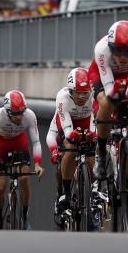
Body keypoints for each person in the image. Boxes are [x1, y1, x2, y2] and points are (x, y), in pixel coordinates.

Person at [89, 20, 128, 182]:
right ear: (110, 48)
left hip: (127, 77)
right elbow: (110, 91)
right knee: (106, 102)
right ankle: (101, 153)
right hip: (103, 75)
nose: (123, 57)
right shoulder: (101, 50)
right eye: (117, 51)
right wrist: (116, 96)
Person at [0, 90, 43, 229]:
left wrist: (37, 163)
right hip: (1, 145)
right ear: (7, 111)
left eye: (21, 112)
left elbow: (36, 142)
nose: (19, 117)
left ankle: (24, 214)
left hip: (19, 142)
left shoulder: (29, 116)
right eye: (15, 114)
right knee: (0, 186)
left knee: (24, 178)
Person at [48, 68, 93, 220]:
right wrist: (69, 137)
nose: (81, 96)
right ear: (70, 91)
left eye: (85, 92)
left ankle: (90, 189)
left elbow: (96, 119)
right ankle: (66, 192)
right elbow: (67, 129)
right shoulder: (62, 97)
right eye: (77, 92)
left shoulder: (94, 94)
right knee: (71, 147)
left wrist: (93, 134)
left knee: (92, 154)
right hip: (67, 123)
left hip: (86, 122)